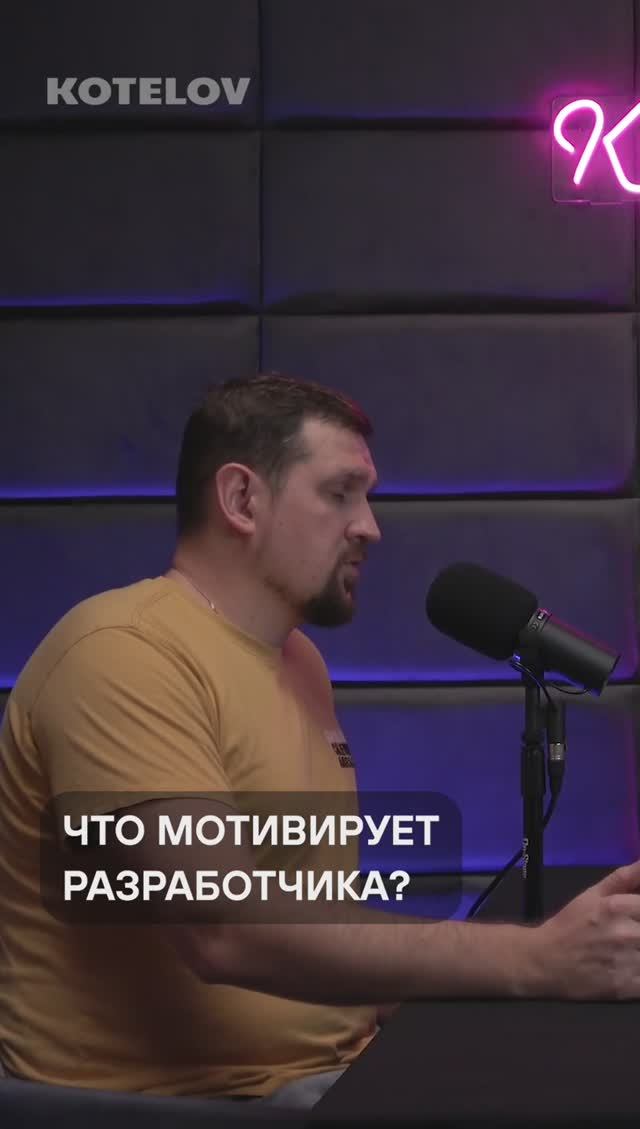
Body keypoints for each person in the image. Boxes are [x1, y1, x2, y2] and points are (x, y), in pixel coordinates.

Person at [3, 373, 640, 1112]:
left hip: (332, 1070)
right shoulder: (123, 653)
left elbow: (308, 921)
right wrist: (530, 959)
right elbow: (225, 928)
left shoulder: (299, 663)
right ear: (242, 499)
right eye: (340, 493)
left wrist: (541, 963)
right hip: (193, 1104)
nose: (369, 526)